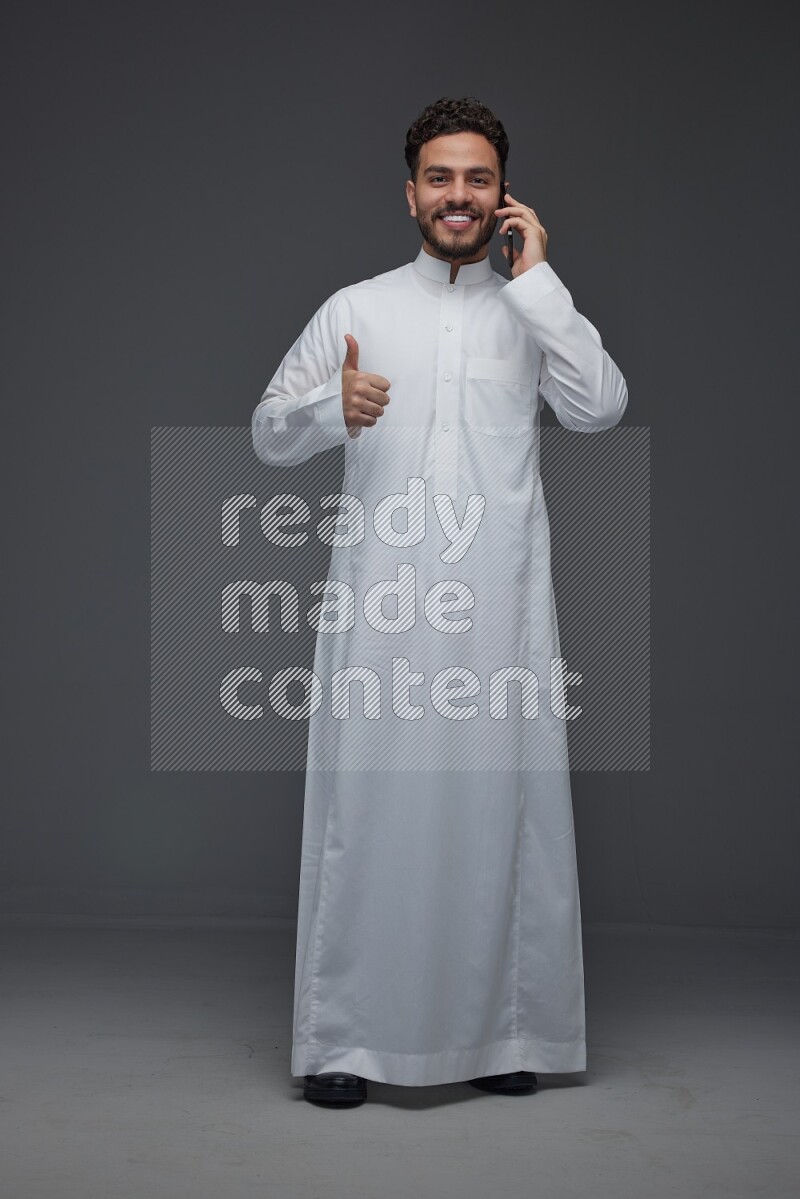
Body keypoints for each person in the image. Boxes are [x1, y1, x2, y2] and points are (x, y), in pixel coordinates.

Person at [251, 97, 628, 1107]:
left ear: (500, 192)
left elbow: (599, 405)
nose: (457, 195)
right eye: (438, 177)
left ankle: (503, 1031)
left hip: (499, 610)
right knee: (366, 816)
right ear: (408, 191)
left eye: (475, 178)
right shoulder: (357, 308)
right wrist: (330, 409)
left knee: (501, 812)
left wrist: (538, 279)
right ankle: (345, 1041)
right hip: (381, 605)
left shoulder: (530, 307)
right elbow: (266, 430)